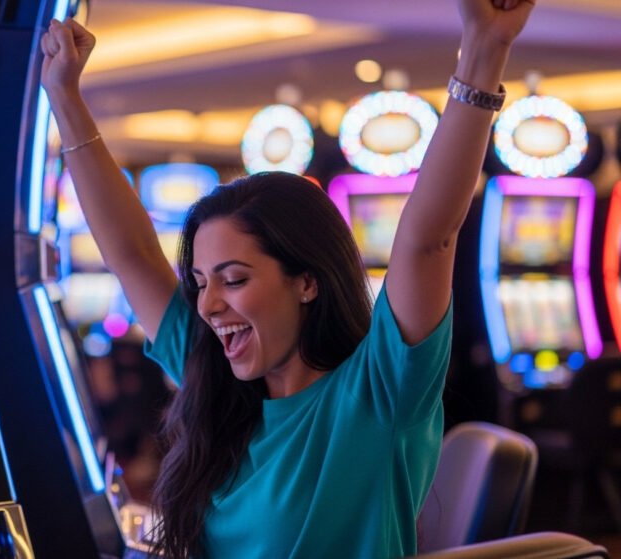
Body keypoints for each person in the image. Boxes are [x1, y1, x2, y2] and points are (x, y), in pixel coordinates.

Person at [40, 1, 536, 557]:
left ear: (307, 282)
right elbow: (131, 254)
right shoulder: (215, 385)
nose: (208, 305)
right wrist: (64, 96)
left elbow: (429, 238)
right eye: (200, 282)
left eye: (233, 279)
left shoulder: (376, 396)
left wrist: (485, 48)